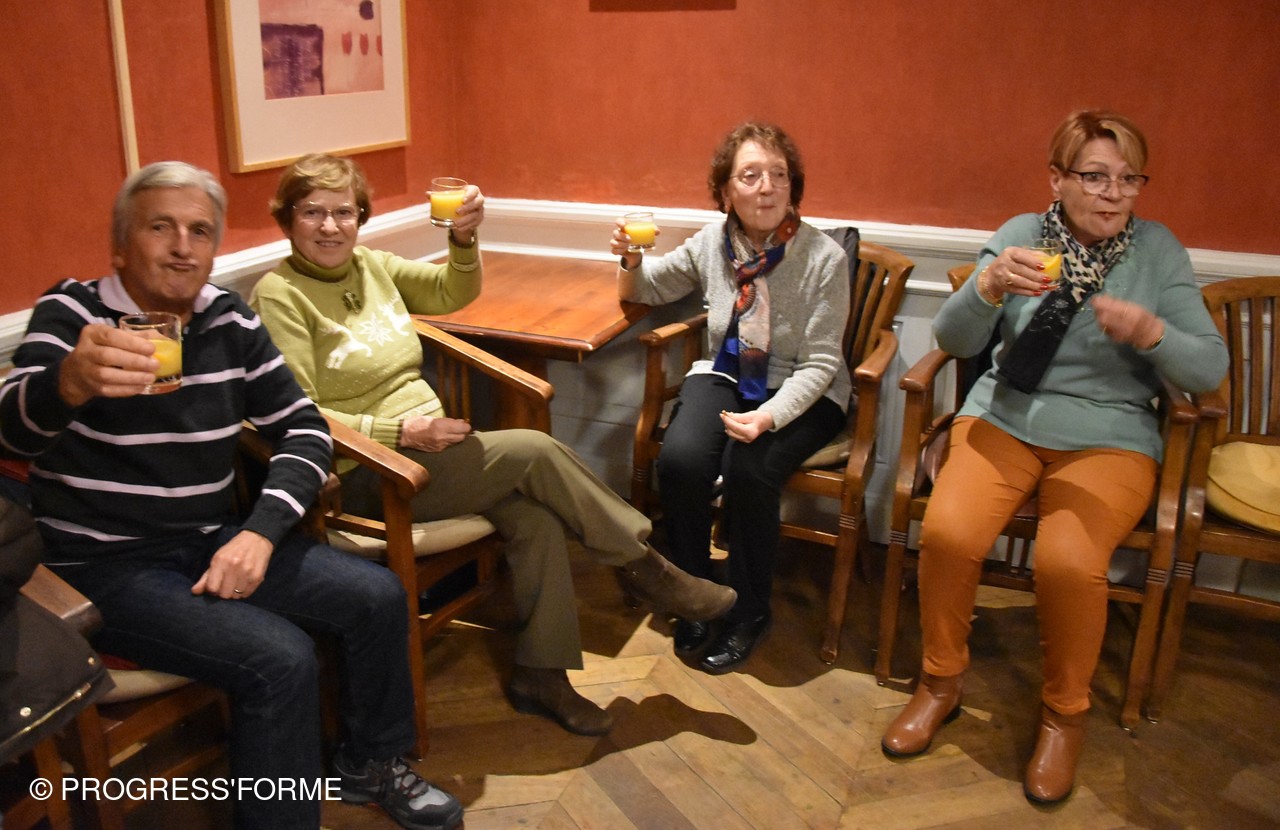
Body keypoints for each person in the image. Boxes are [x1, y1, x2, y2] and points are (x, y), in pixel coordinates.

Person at [0, 162, 464, 830]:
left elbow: (303, 427)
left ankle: (370, 763)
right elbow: (10, 426)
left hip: (209, 538)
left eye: (199, 232)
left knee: (377, 595)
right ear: (120, 246)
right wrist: (67, 382)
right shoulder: (73, 314)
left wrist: (260, 531)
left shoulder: (228, 319)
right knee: (279, 658)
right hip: (104, 566)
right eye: (160, 228)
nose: (182, 247)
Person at [249, 154, 736, 738]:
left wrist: (463, 238)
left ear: (360, 218)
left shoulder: (370, 266)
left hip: (438, 455)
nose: (331, 227)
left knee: (536, 520)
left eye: (344, 213)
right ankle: (647, 568)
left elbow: (452, 292)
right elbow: (300, 415)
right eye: (313, 213)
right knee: (535, 450)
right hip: (368, 472)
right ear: (287, 219)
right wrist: (403, 433)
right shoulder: (279, 295)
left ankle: (542, 676)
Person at [878, 111, 1228, 804]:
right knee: (948, 533)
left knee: (1068, 562)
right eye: (1094, 177)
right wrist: (987, 287)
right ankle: (940, 682)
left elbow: (1209, 367)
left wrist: (1152, 332)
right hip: (1005, 416)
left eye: (1128, 178)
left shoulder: (1157, 252)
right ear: (1057, 180)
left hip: (1109, 434)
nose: (1113, 193)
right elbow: (952, 338)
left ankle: (1064, 716)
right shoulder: (1021, 236)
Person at [610, 122, 851, 675]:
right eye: (751, 175)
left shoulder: (824, 258)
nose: (767, 187)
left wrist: (768, 416)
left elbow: (821, 363)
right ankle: (694, 593)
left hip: (804, 388)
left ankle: (749, 609)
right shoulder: (711, 243)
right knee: (681, 459)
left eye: (779, 175)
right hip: (728, 369)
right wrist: (630, 259)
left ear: (793, 188)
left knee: (750, 467)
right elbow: (646, 288)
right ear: (725, 191)